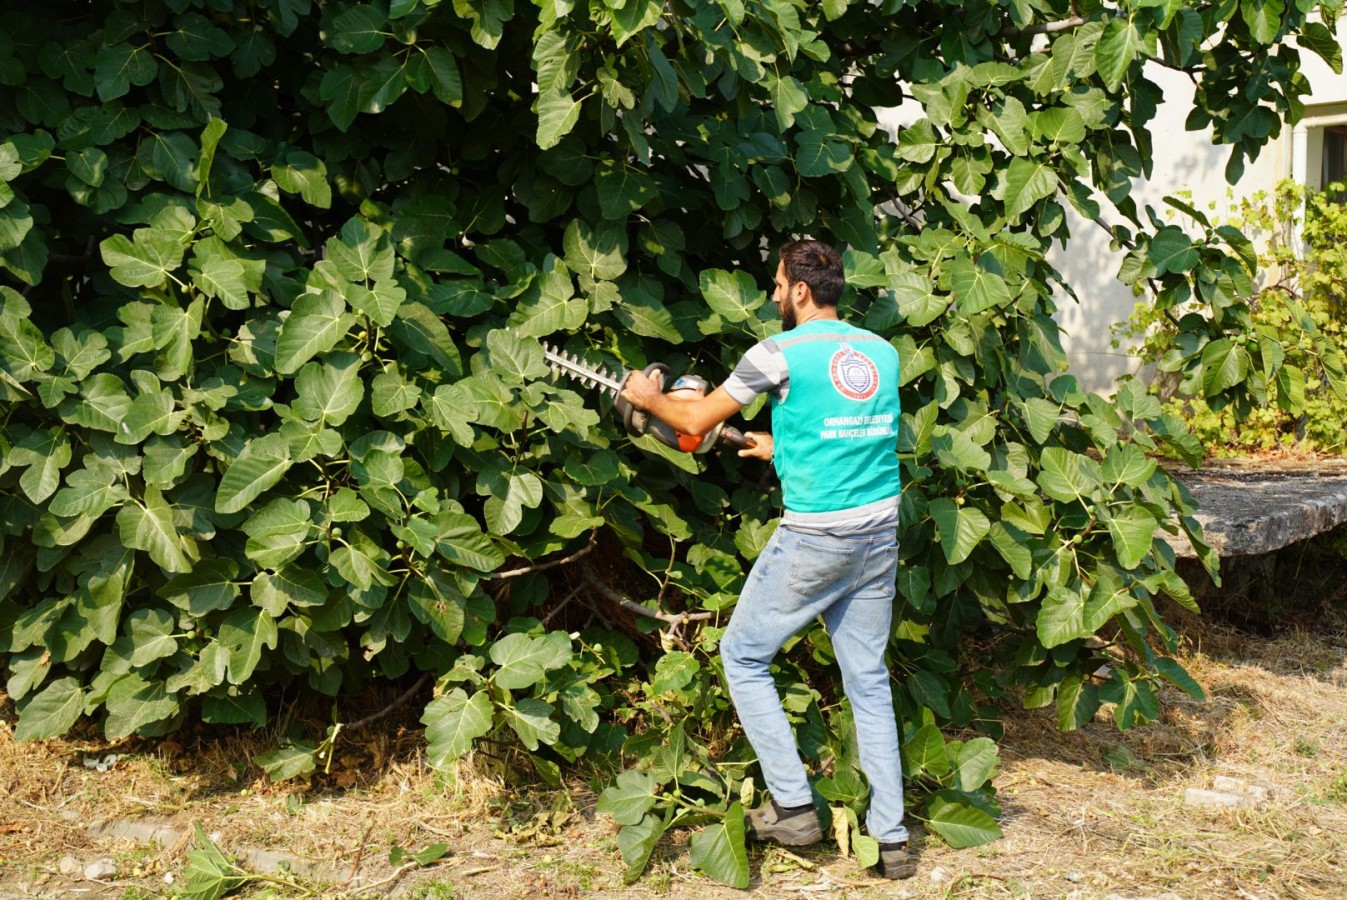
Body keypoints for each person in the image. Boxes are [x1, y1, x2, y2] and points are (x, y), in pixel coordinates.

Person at [619, 239, 914, 880]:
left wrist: (646, 399)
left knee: (743, 656)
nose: (775, 295)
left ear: (801, 290)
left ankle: (793, 806)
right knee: (867, 679)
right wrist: (770, 444)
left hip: (818, 536)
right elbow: (847, 430)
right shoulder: (882, 353)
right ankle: (892, 840)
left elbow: (694, 414)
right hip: (878, 531)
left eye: (778, 285)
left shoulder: (777, 352)